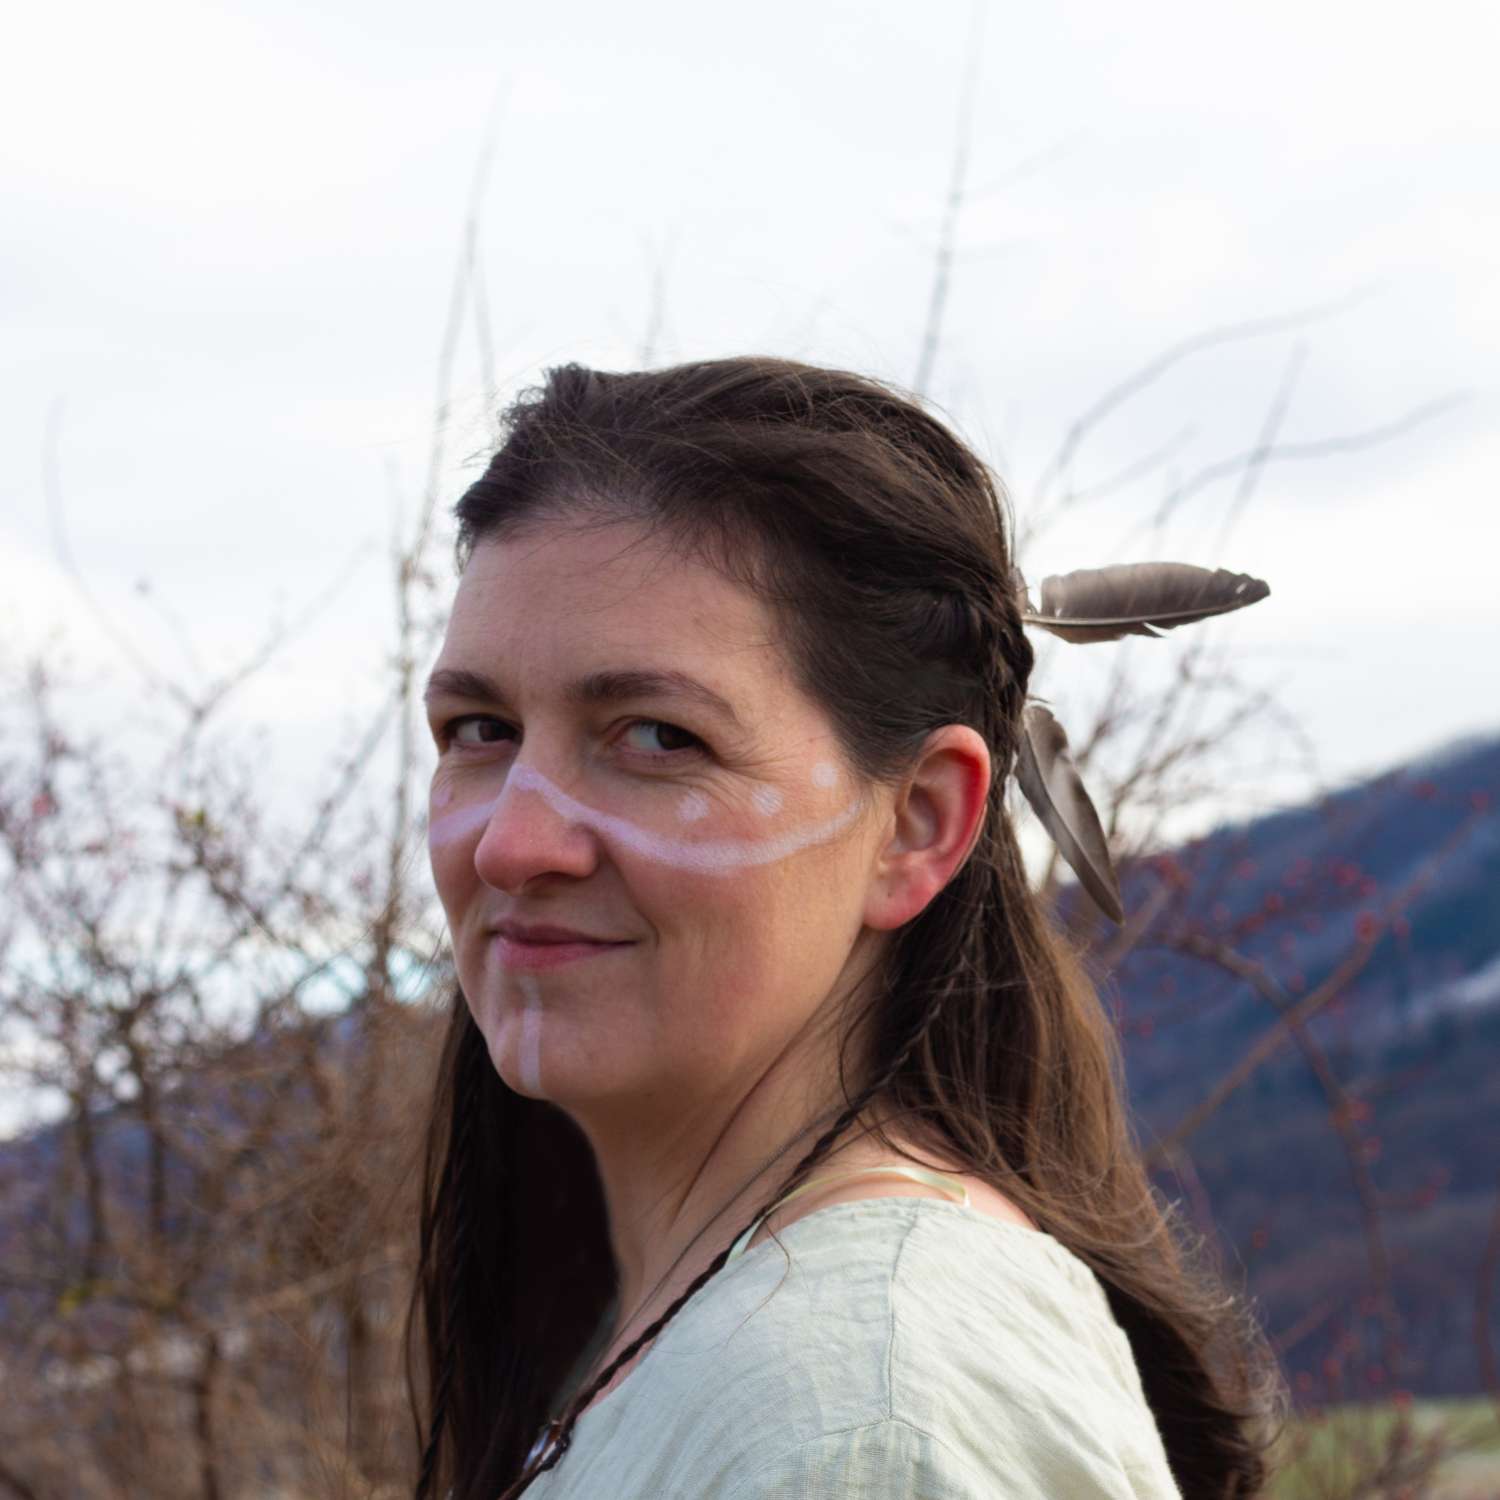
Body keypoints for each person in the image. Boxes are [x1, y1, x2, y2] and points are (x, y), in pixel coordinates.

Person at [408, 356, 1288, 1499]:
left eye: (659, 738)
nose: (513, 844)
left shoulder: (866, 1419)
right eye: (480, 729)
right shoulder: (702, 1332)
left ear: (917, 824)